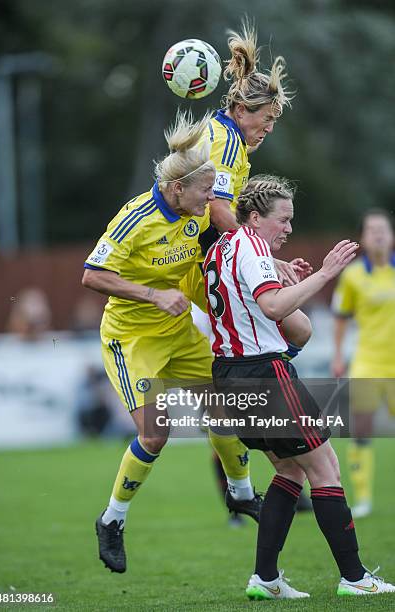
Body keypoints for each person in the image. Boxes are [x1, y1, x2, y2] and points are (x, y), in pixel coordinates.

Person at [82, 110, 262, 574]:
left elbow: (196, 275)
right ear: (177, 187)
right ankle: (111, 520)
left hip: (178, 332)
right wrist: (151, 295)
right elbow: (92, 275)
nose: (212, 200)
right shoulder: (136, 218)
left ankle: (241, 495)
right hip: (132, 338)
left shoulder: (193, 218)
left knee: (223, 407)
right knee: (156, 433)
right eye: (206, 191)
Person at [205, 174, 395, 599]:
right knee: (325, 466)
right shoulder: (252, 247)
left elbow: (282, 319)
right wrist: (325, 274)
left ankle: (265, 579)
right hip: (264, 374)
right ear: (255, 217)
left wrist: (286, 277)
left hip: (230, 376)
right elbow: (273, 307)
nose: (289, 229)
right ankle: (355, 577)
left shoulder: (220, 248)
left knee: (289, 469)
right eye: (284, 219)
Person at [182, 21, 313, 515]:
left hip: (216, 257)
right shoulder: (227, 141)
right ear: (241, 109)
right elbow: (218, 209)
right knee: (295, 330)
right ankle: (256, 418)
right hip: (208, 261)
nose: (269, 127)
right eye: (266, 118)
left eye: (275, 120)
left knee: (293, 332)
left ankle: (259, 422)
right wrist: (258, 255)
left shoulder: (224, 134)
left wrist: (266, 257)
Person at [331, 208, 395, 518]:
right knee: (362, 430)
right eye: (372, 230)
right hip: (368, 362)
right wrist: (338, 355)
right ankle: (365, 499)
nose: (379, 234)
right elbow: (341, 318)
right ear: (363, 238)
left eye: (383, 228)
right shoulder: (353, 275)